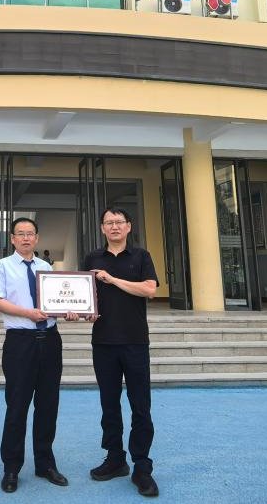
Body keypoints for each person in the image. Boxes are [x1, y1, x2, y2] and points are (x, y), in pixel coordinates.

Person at [0, 217, 72, 494]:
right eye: (20, 234)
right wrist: (28, 313)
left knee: (48, 405)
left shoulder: (47, 268)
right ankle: (11, 467)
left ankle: (45, 464)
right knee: (17, 405)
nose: (25, 238)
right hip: (20, 342)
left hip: (50, 341)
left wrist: (70, 311)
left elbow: (57, 302)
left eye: (30, 233)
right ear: (12, 238)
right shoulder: (2, 266)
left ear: (37, 238)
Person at [84, 207, 160, 498]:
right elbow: (84, 295)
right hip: (103, 341)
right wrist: (83, 312)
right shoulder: (92, 258)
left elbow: (149, 290)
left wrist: (112, 279)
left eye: (119, 222)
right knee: (109, 404)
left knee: (140, 405)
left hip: (135, 341)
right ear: (102, 228)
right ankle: (115, 458)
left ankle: (142, 466)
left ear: (129, 226)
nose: (114, 227)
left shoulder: (141, 256)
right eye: (109, 222)